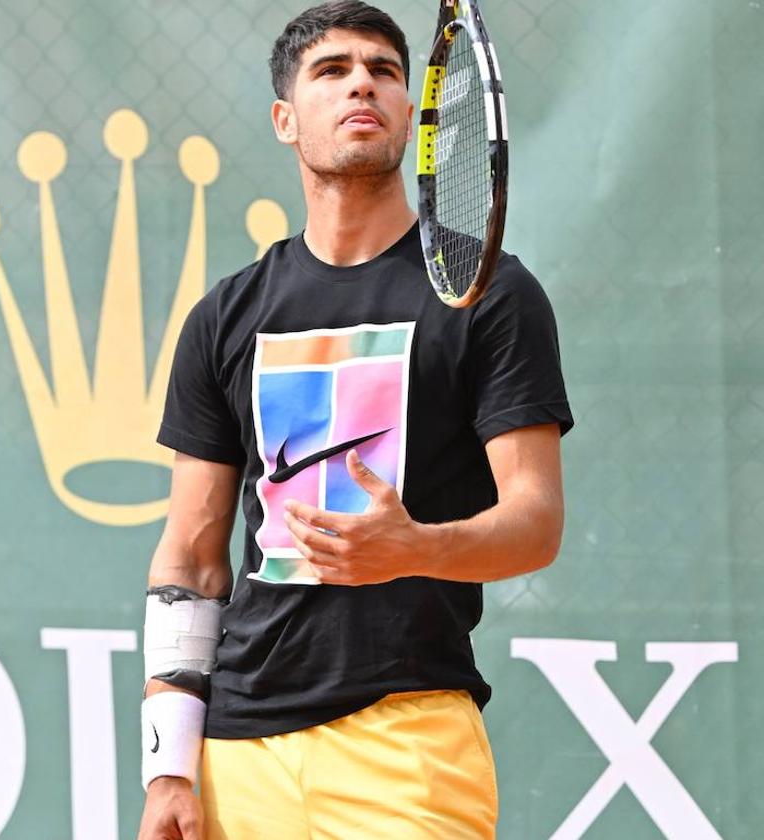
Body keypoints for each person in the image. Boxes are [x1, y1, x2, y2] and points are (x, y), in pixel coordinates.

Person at [136, 2, 572, 838]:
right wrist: (168, 767)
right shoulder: (225, 317)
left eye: (384, 70)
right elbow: (191, 561)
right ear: (286, 120)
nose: (361, 84)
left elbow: (537, 522)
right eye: (331, 71)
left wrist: (419, 548)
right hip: (239, 750)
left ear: (412, 113)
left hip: (408, 741)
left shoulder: (490, 295)